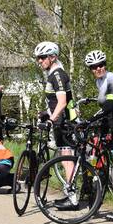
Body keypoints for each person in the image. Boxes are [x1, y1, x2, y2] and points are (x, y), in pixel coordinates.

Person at [33, 41, 78, 210]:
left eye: (42, 57)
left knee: (67, 160)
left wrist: (52, 119)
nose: (39, 61)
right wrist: (47, 114)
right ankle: (71, 194)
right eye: (38, 58)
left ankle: (72, 197)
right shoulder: (52, 73)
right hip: (59, 121)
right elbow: (53, 101)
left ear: (53, 57)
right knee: (66, 158)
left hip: (64, 122)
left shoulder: (57, 74)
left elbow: (62, 102)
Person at [85, 49, 113, 221]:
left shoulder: (111, 79)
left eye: (101, 65)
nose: (98, 69)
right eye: (94, 67)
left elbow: (110, 105)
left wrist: (91, 118)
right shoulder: (100, 81)